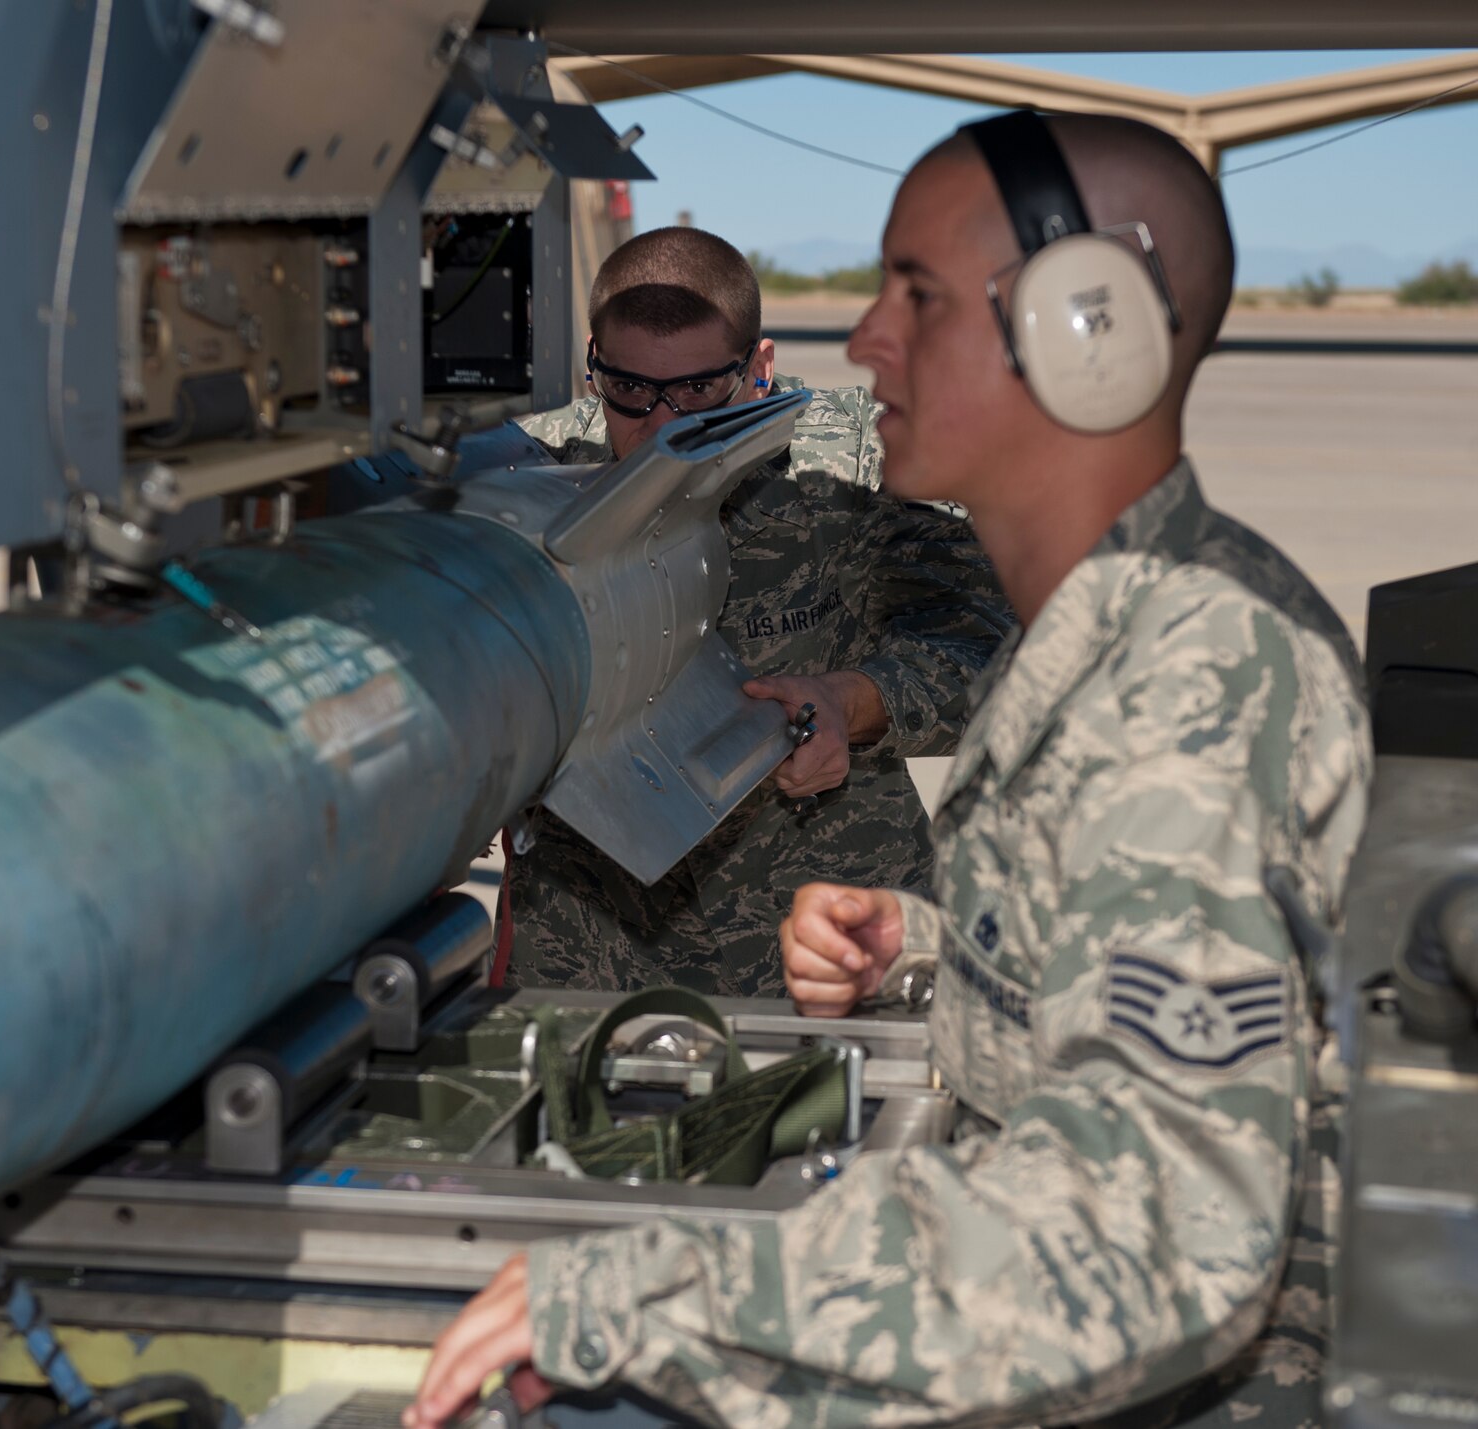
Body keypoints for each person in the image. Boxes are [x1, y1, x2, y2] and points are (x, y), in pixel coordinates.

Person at [408, 112, 1372, 1429]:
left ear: (1090, 332)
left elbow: (1155, 1240)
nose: (866, 340)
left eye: (916, 294)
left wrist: (653, 1295)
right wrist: (925, 946)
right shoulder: (1126, 635)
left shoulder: (1197, 679)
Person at [506, 226, 1013, 998]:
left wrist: (854, 701)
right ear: (593, 365)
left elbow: (992, 647)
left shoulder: (854, 465)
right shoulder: (526, 482)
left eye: (702, 391)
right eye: (631, 390)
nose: (665, 424)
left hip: (834, 942)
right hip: (594, 955)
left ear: (761, 368)